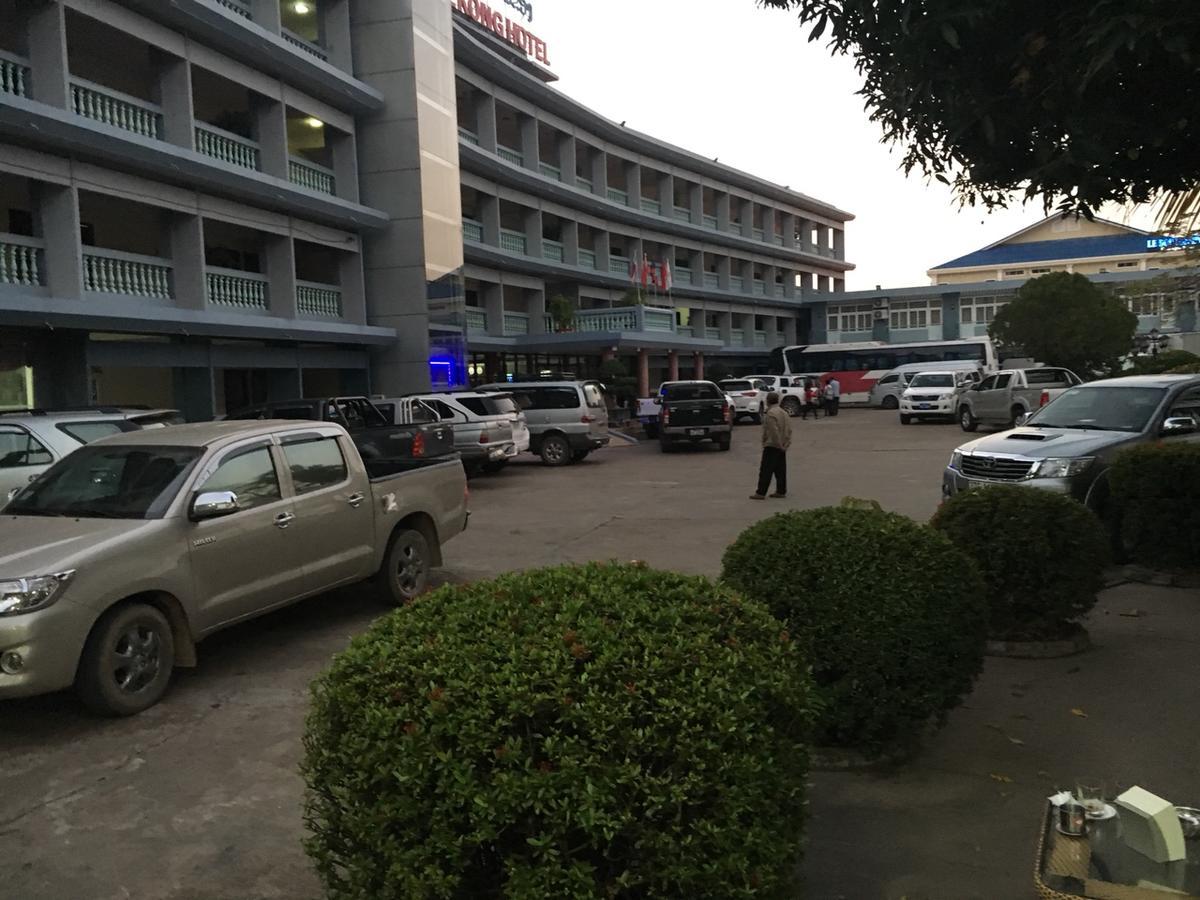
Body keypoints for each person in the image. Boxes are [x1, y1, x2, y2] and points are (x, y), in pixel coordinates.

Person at [750, 392, 791, 500]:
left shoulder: (771, 413)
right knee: (780, 470)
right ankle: (781, 490)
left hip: (772, 445)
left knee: (766, 470)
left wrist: (778, 444)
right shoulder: (784, 412)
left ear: (768, 401)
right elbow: (789, 430)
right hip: (782, 444)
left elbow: (773, 431)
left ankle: (761, 492)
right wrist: (785, 444)